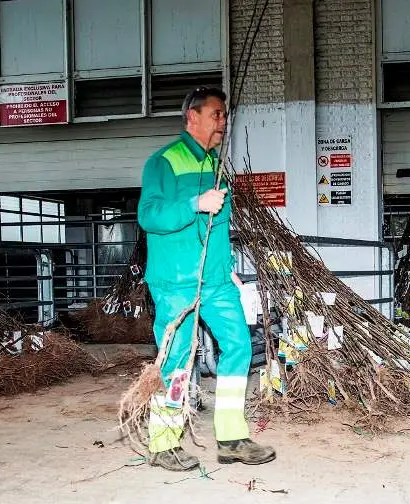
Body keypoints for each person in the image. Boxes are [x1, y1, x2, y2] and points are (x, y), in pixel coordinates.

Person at [137, 86, 276, 471]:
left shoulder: (216, 164)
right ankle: (164, 442)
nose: (222, 121)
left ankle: (231, 438)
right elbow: (149, 216)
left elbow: (218, 227)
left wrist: (226, 265)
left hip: (215, 281)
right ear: (192, 117)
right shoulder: (163, 162)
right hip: (176, 283)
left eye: (224, 115)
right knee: (177, 361)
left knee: (240, 347)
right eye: (216, 114)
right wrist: (193, 204)